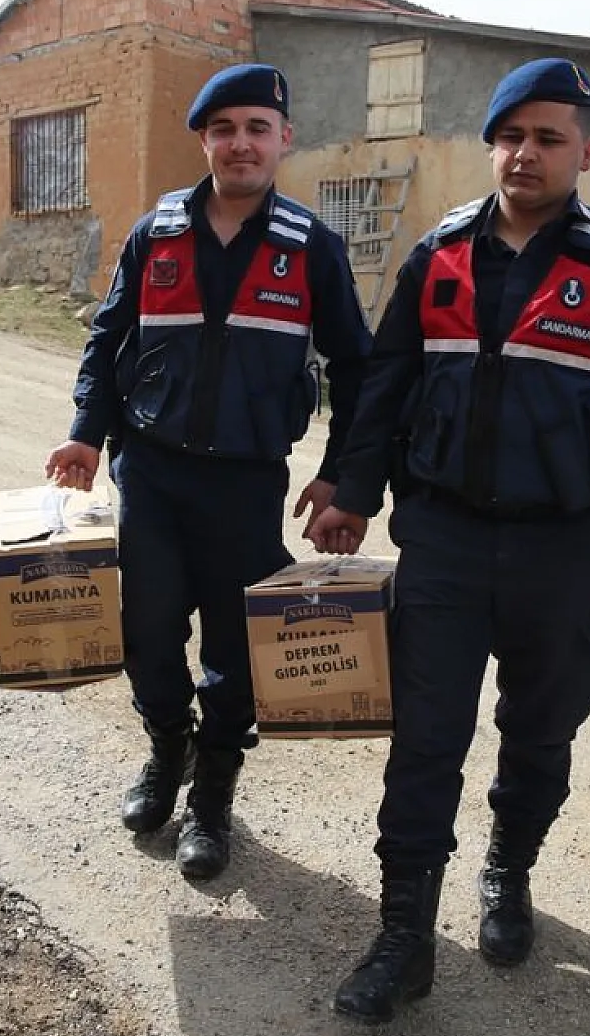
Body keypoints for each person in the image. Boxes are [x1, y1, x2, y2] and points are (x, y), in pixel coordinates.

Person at [305, 57, 590, 1022]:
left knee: (540, 727)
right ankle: (404, 935)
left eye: (549, 138)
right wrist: (352, 490)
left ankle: (509, 868)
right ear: (490, 145)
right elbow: (385, 388)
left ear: (585, 152)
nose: (526, 153)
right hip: (445, 541)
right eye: (512, 135)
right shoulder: (440, 254)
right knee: (425, 738)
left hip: (558, 547)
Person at [45, 63, 371, 882]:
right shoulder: (155, 234)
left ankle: (213, 797)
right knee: (148, 634)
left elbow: (361, 373)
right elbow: (108, 340)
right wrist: (87, 432)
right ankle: (167, 752)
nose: (241, 143)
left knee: (234, 647)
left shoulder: (311, 247)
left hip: (246, 482)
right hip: (150, 474)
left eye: (258, 127)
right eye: (224, 129)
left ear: (283, 139)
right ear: (204, 139)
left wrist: (339, 474)